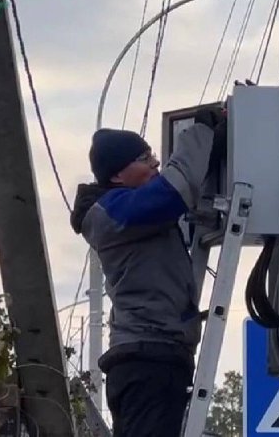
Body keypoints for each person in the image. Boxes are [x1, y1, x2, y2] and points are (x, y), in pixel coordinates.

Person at [70, 107, 226, 436]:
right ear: (116, 176)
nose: (155, 163)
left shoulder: (128, 213)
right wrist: (199, 133)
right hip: (147, 360)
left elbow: (178, 201)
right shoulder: (115, 212)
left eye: (153, 155)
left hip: (153, 357)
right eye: (144, 159)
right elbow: (173, 193)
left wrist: (211, 148)